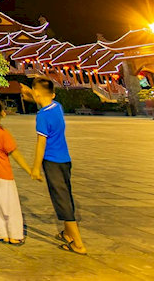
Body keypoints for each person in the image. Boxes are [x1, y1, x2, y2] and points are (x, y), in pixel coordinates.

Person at [30, 77, 88, 255]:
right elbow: (46, 99)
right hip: (65, 160)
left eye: (33, 91)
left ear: (37, 93)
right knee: (66, 195)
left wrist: (35, 167)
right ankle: (68, 234)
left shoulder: (42, 116)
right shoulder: (57, 107)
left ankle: (78, 244)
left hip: (52, 161)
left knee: (61, 201)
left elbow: (41, 143)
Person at [0, 97, 34, 245]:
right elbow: (15, 155)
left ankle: (2, 233)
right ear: (3, 113)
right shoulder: (3, 134)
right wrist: (30, 170)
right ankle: (15, 235)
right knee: (10, 205)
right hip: (2, 173)